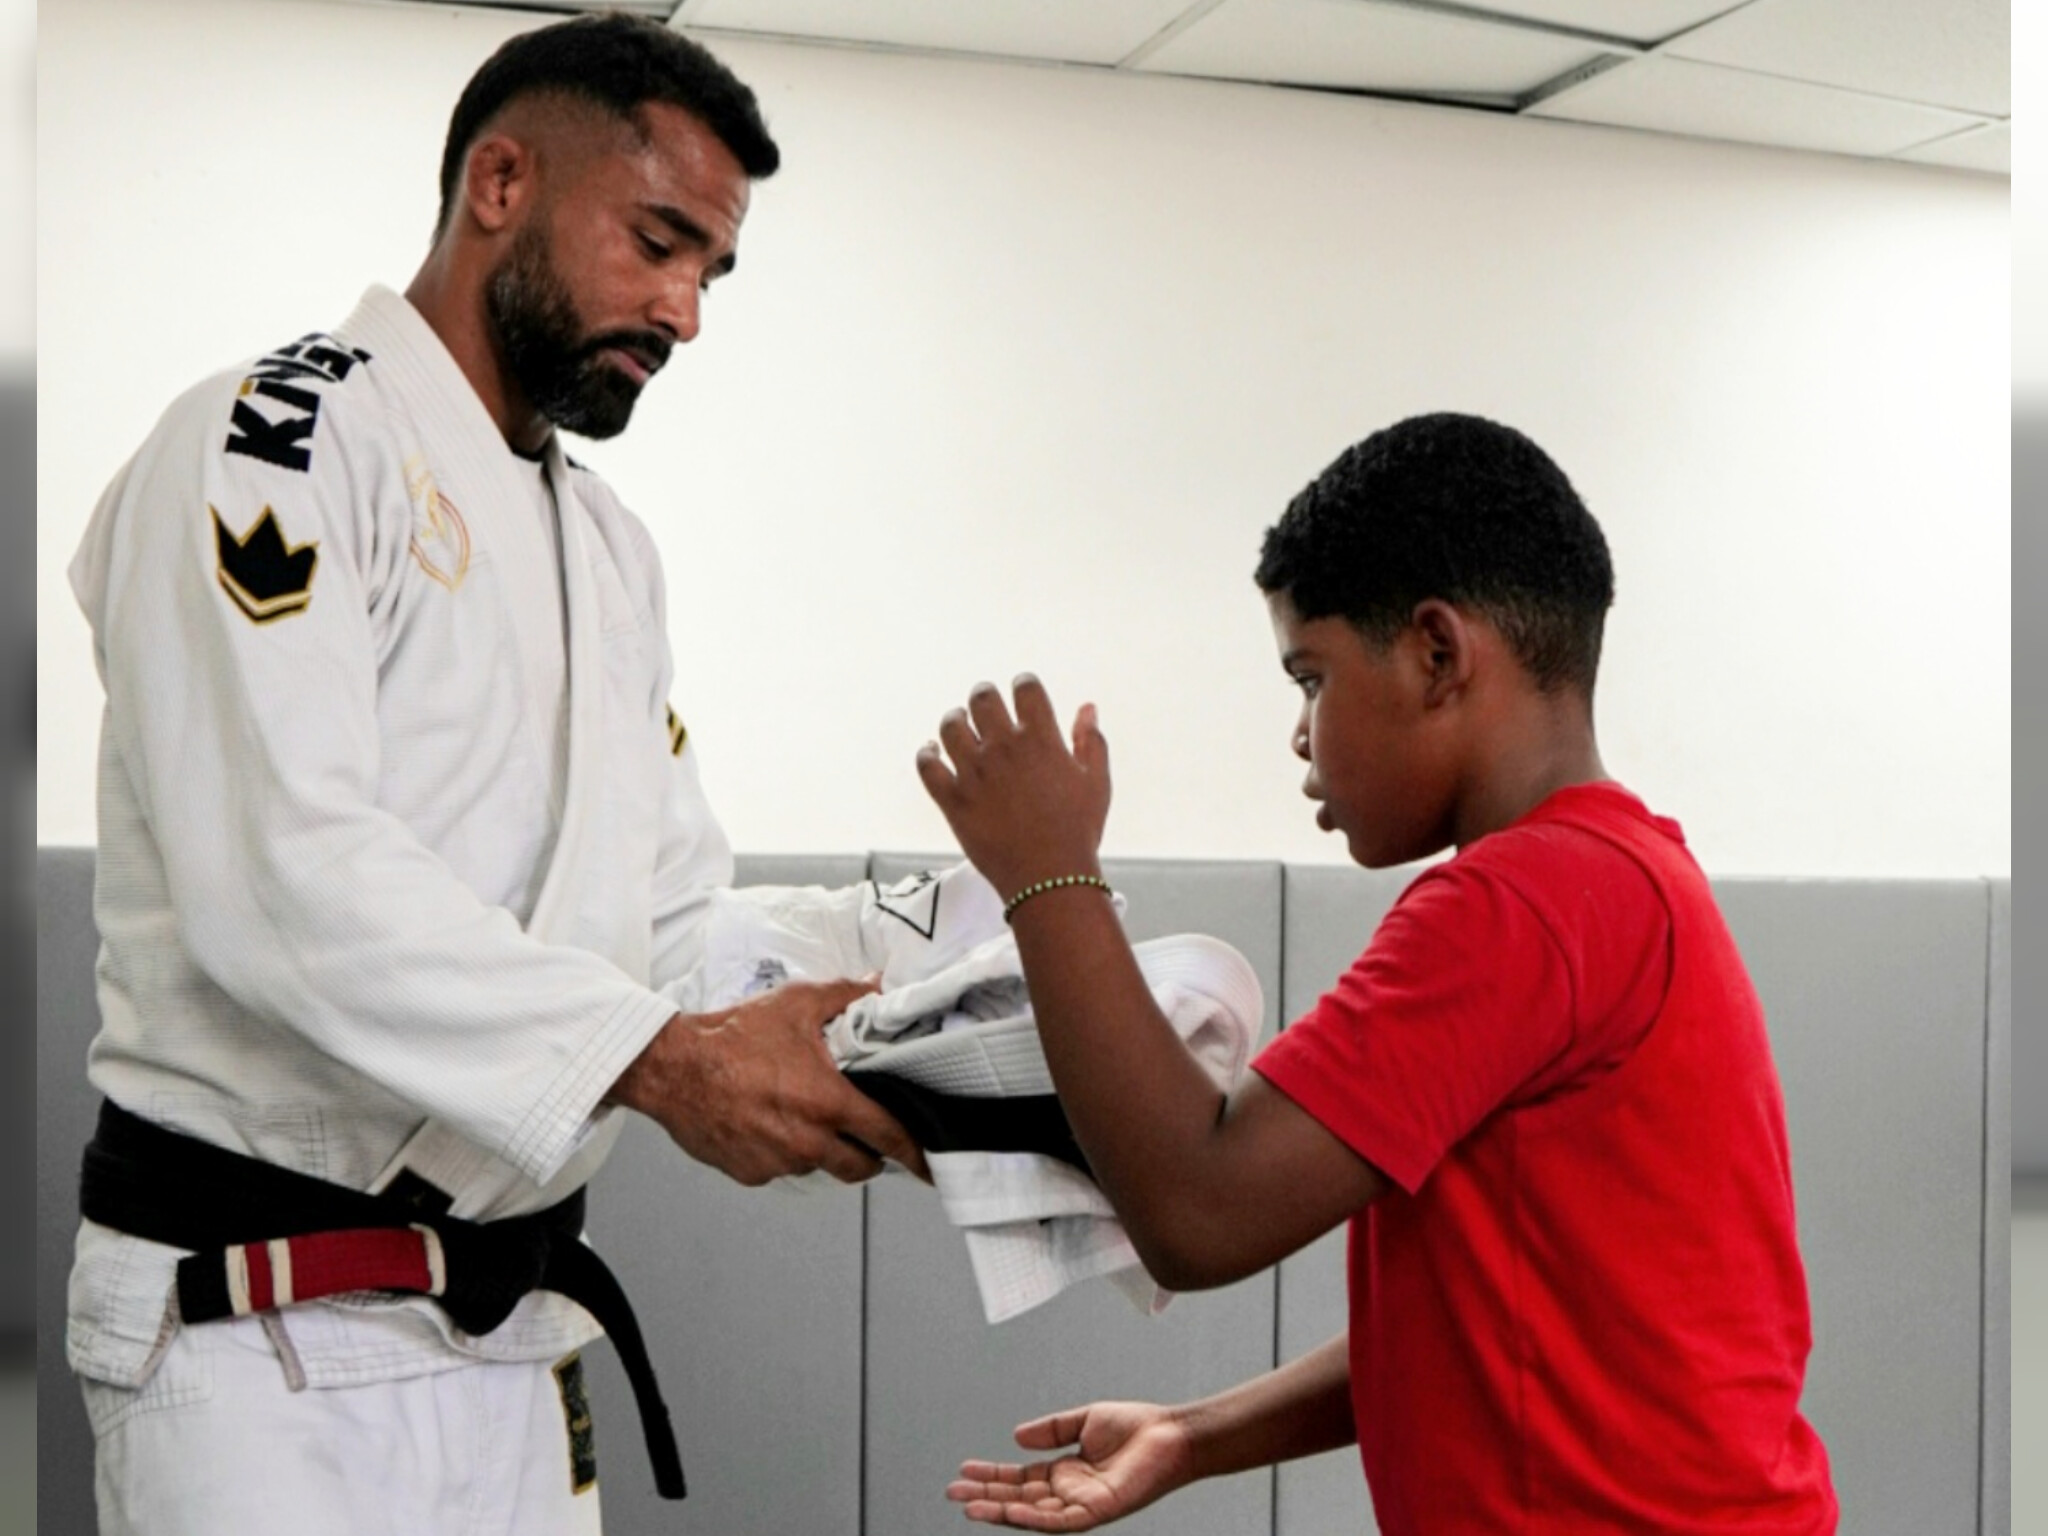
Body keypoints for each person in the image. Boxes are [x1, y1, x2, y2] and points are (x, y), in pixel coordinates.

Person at [64, 15, 921, 1535]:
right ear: (502, 183)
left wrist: (893, 979)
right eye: (657, 243)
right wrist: (664, 1062)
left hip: (514, 1339)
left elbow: (658, 926)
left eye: (711, 273)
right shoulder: (275, 441)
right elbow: (285, 878)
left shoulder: (608, 550)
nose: (684, 312)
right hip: (263, 1336)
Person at [915, 413, 1838, 1534]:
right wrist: (1193, 1434)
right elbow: (1488, 1332)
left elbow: (1198, 1211)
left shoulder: (1518, 902)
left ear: (1437, 655)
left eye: (1310, 677)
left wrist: (1047, 876)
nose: (1301, 736)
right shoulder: (1622, 877)